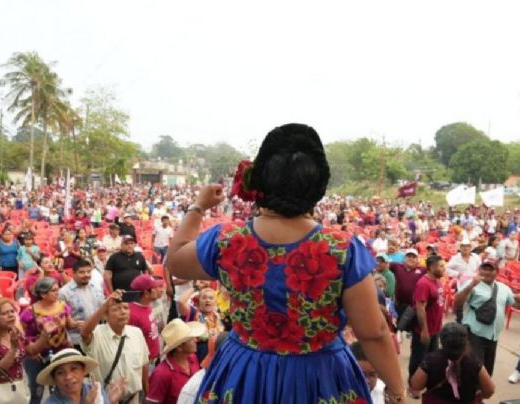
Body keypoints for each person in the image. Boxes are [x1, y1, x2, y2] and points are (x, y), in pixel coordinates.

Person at [166, 124, 404, 403]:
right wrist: (397, 391)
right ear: (318, 187)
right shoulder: (341, 249)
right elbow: (373, 333)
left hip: (244, 374)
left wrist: (198, 207)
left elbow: (176, 261)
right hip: (320, 377)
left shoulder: (228, 240)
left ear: (262, 182)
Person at [0, 299, 53, 404]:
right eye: (4, 313)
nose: (10, 315)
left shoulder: (13, 333)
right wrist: (13, 349)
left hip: (15, 391)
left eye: (12, 311)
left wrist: (45, 334)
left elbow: (32, 350)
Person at [454, 261, 520, 376]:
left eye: (490, 269)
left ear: (496, 272)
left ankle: (480, 392)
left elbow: (516, 305)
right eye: (483, 269)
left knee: (487, 371)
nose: (486, 272)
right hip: (475, 334)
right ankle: (469, 392)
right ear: (479, 270)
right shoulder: (472, 284)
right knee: (475, 369)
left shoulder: (504, 288)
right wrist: (471, 286)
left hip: (493, 336)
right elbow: (458, 301)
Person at [81, 290, 149, 404]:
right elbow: (84, 332)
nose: (122, 312)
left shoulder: (136, 333)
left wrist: (147, 393)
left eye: (126, 308)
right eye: (116, 309)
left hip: (133, 399)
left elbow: (144, 365)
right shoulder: (97, 334)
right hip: (107, 400)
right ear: (105, 316)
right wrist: (105, 305)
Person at [20, 277, 78, 404]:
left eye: (57, 289)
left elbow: (69, 324)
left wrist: (79, 324)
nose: (58, 293)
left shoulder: (63, 306)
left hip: (59, 353)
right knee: (36, 389)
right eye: (54, 291)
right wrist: (31, 349)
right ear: (43, 294)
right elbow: (21, 334)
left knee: (60, 387)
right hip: (38, 355)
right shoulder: (30, 312)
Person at [410, 322, 495, 403]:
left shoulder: (431, 360)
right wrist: (479, 395)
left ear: (442, 341)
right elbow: (490, 391)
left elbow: (416, 385)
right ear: (465, 342)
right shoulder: (474, 362)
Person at [408, 256, 446, 398]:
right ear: (431, 267)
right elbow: (420, 308)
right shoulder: (424, 283)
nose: (444, 269)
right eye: (441, 266)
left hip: (435, 329)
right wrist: (424, 330)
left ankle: (427, 382)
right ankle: (413, 385)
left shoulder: (438, 281)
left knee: (433, 358)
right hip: (424, 331)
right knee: (418, 358)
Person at [145, 319, 206, 404]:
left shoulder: (193, 358)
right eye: (191, 338)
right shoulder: (161, 374)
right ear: (179, 347)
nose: (196, 340)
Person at [36, 348, 126, 404]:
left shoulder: (95, 391)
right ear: (54, 379)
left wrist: (113, 402)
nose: (68, 376)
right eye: (60, 373)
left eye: (74, 369)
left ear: (83, 371)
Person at [59, 259, 106, 352]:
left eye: (88, 271)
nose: (86, 275)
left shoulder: (96, 287)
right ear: (74, 273)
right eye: (82, 272)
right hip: (77, 341)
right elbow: (60, 319)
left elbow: (103, 309)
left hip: (98, 337)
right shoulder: (64, 292)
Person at [127, 274, 164, 368]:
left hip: (155, 359)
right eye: (154, 288)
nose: (158, 290)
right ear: (146, 293)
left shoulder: (148, 306)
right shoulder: (132, 315)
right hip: (145, 365)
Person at [389, 249, 425, 325]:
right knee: (397, 326)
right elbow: (383, 263)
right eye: (408, 256)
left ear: (417, 259)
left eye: (413, 257)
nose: (411, 259)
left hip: (413, 307)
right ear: (404, 258)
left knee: (411, 328)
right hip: (398, 304)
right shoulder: (397, 266)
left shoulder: (422, 270)